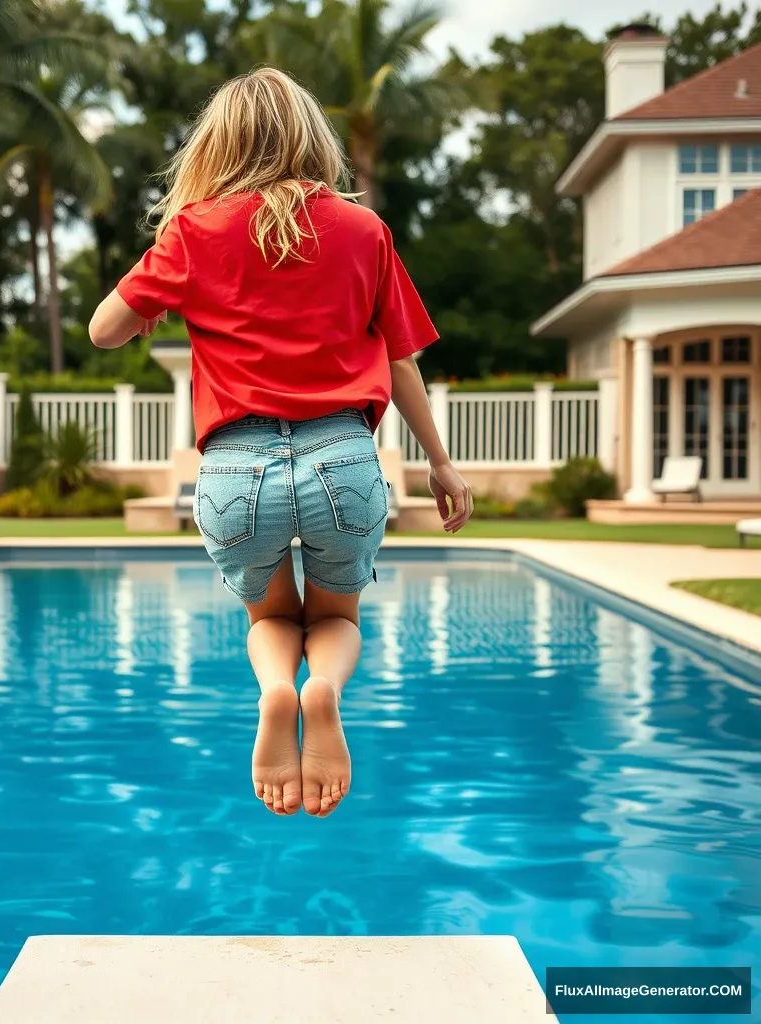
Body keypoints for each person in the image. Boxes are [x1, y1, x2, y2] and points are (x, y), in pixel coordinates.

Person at [89, 67, 473, 818]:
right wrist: (439, 460)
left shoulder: (193, 231)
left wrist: (153, 307)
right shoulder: (364, 231)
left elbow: (105, 329)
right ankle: (320, 691)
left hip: (236, 468)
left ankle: (276, 695)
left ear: (218, 145)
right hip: (344, 459)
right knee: (334, 618)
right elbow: (400, 360)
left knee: (269, 618)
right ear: (310, 136)